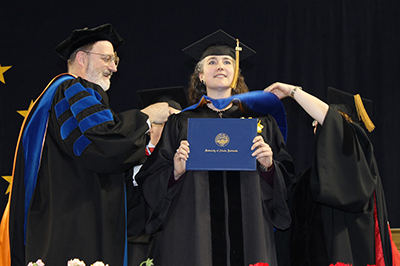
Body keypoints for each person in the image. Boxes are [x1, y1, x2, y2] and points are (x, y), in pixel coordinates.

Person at [0, 23, 170, 266]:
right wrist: (146, 116)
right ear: (81, 58)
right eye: (107, 58)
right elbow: (101, 143)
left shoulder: (71, 96)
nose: (113, 67)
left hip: (75, 213)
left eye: (115, 60)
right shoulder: (71, 89)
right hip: (73, 221)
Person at [136, 30, 295, 266]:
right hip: (194, 234)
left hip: (249, 229)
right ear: (200, 75)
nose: (220, 66)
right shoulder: (181, 123)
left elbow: (288, 179)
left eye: (227, 62)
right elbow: (150, 178)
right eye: (212, 62)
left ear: (235, 74)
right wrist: (176, 173)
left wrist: (270, 167)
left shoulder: (260, 123)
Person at [265, 82, 400, 265]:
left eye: (320, 122)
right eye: (314, 123)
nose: (317, 127)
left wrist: (294, 92)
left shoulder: (359, 166)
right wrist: (268, 166)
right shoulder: (310, 178)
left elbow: (337, 127)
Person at [127, 87, 186, 266]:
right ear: (151, 126)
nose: (170, 130)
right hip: (136, 239)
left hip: (174, 238)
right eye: (164, 123)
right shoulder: (130, 157)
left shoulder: (186, 158)